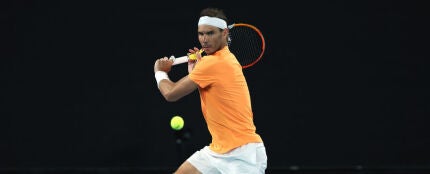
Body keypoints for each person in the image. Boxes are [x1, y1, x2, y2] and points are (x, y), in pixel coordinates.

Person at [153, 7, 267, 174]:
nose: (204, 40)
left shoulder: (213, 63)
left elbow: (171, 93)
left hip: (242, 154)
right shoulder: (224, 59)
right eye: (201, 34)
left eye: (210, 33)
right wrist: (194, 71)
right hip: (217, 150)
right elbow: (208, 84)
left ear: (225, 33)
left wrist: (159, 72)